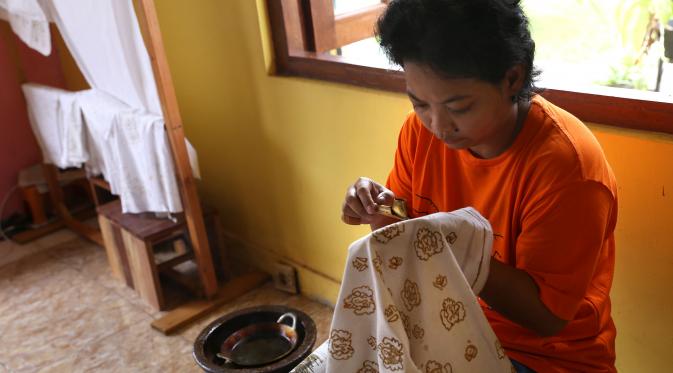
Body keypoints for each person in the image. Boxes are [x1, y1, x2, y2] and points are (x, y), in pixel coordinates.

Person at [340, 0, 618, 372]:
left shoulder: (566, 168)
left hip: (544, 356)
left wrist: (458, 246)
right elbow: (404, 240)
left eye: (460, 107)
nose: (438, 126)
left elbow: (548, 318)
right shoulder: (418, 133)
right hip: (442, 321)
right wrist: (379, 211)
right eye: (420, 102)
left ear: (511, 79)